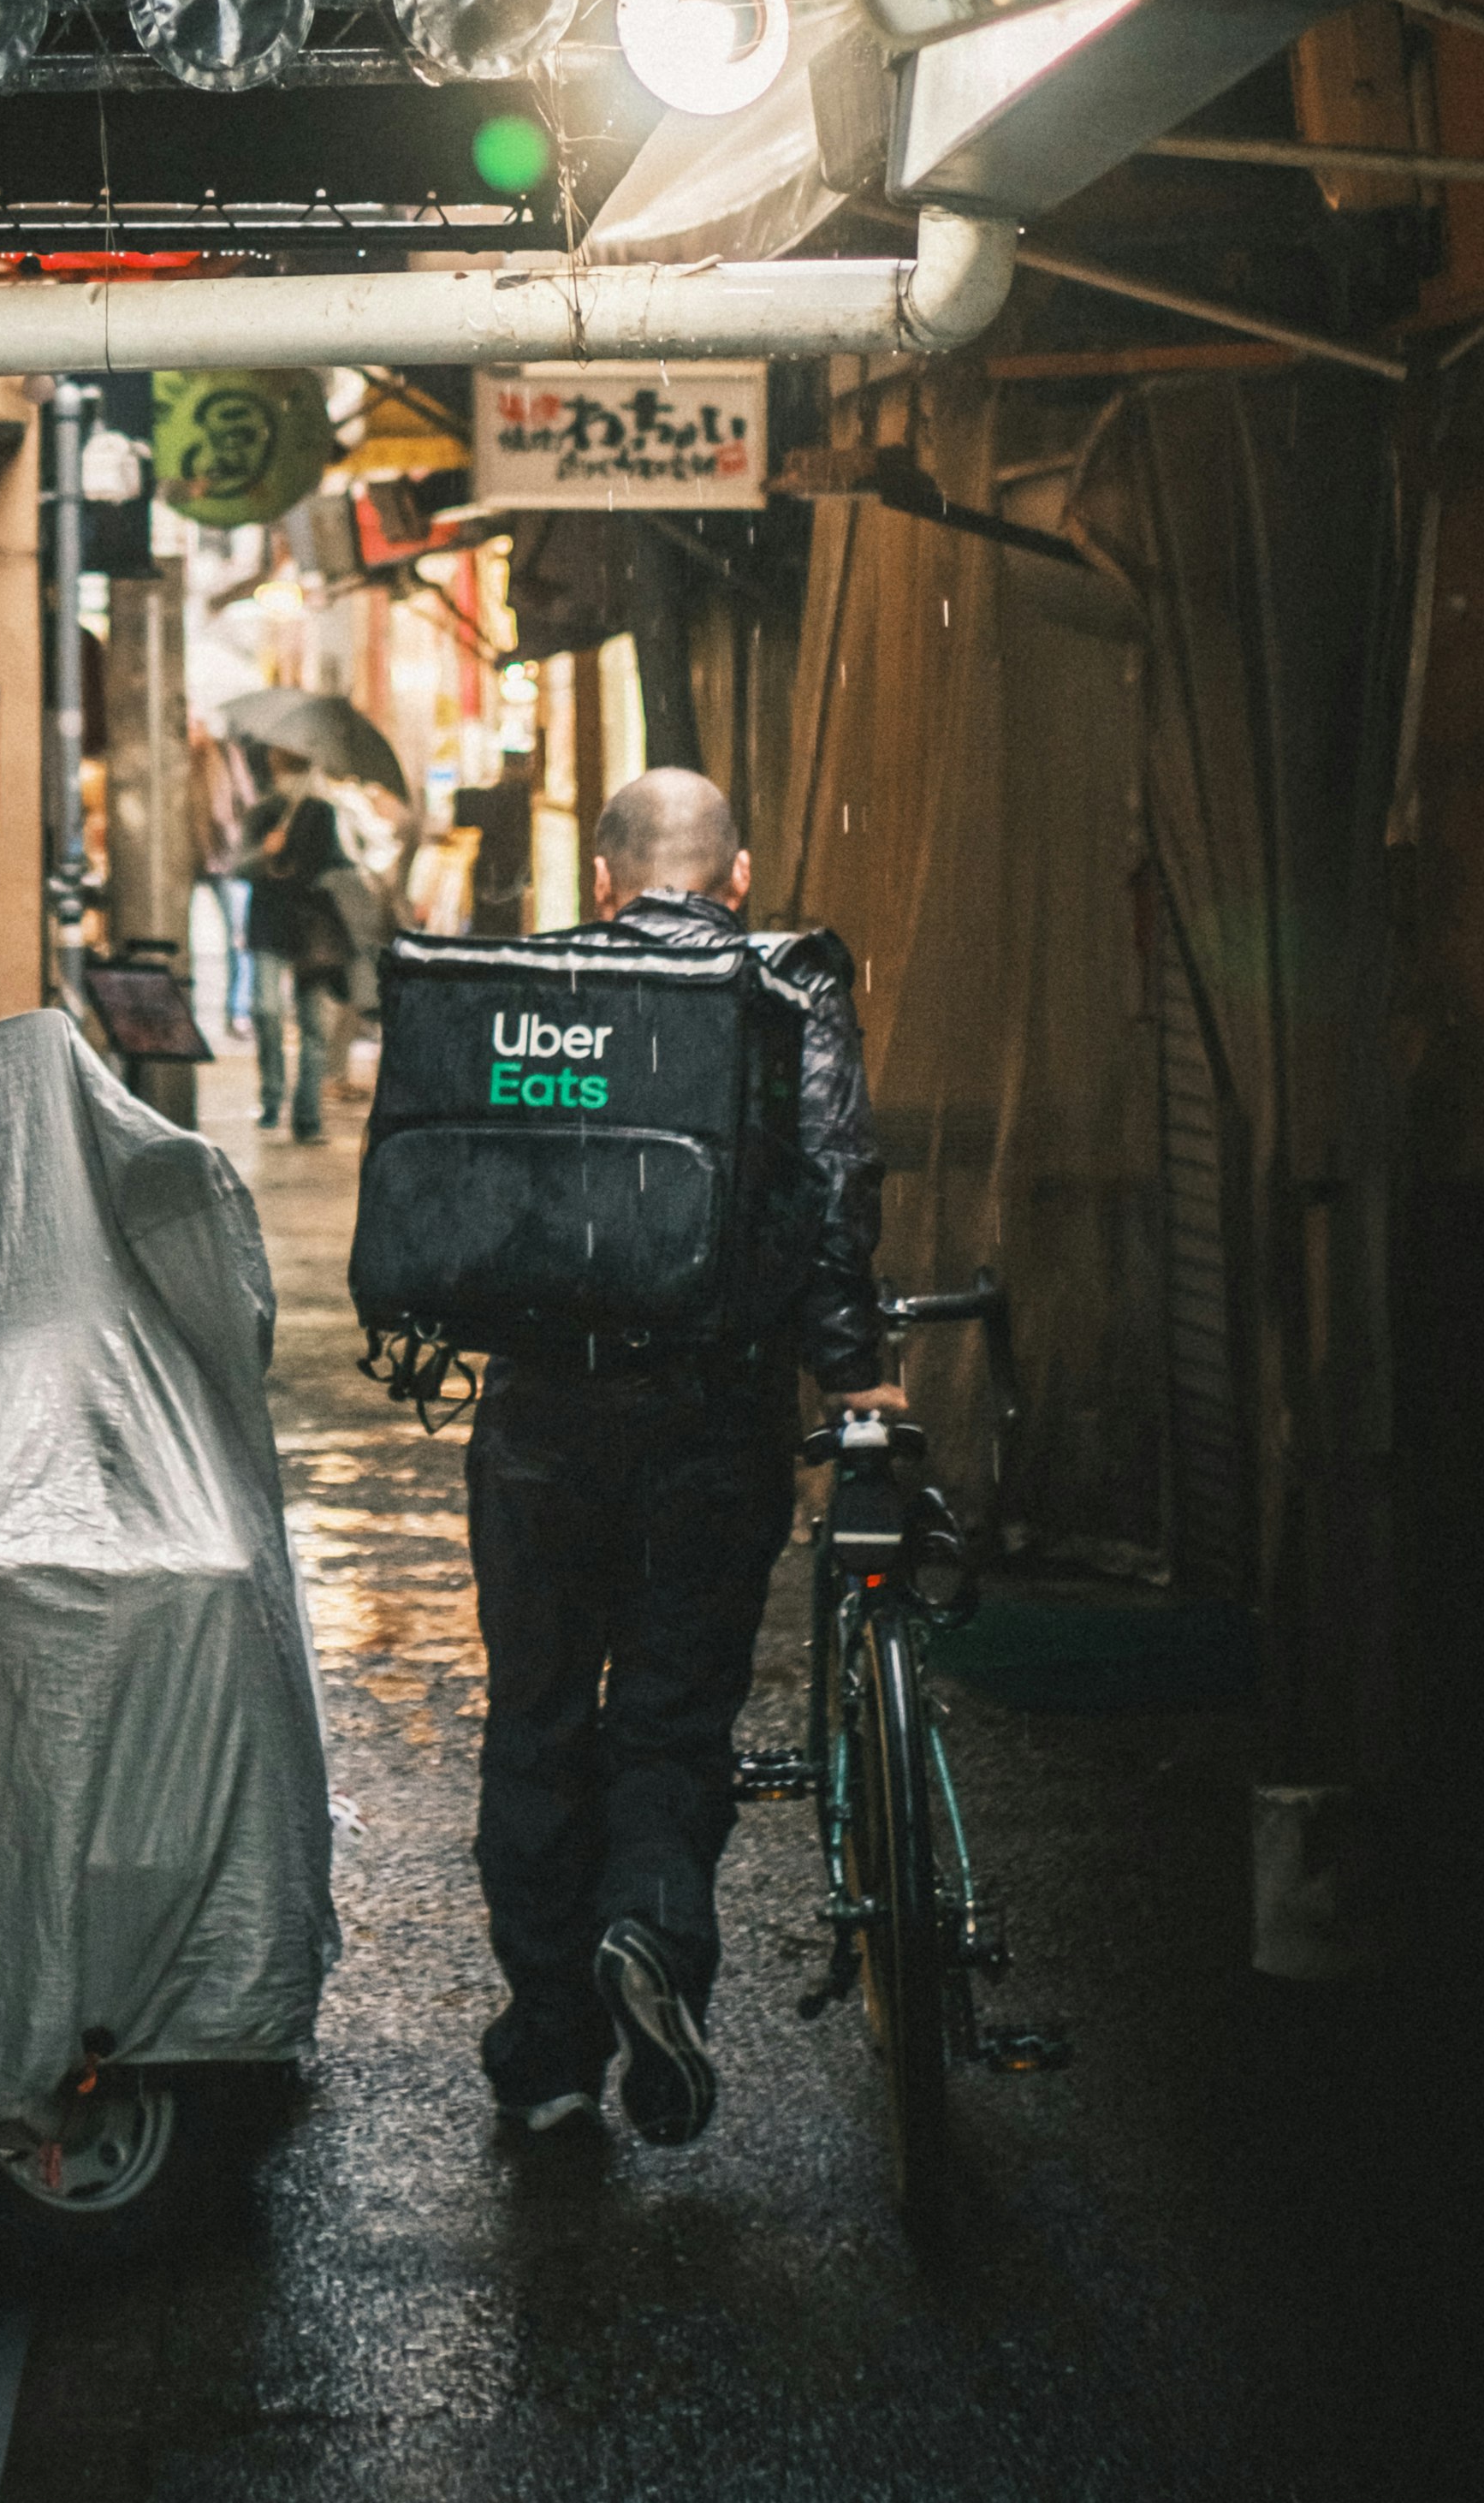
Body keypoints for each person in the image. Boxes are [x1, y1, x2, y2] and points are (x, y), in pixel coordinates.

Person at [466, 767, 906, 2147]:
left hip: (540, 1420)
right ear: (740, 875)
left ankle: (547, 2059)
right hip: (712, 1425)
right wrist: (856, 1378)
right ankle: (652, 1927)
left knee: (539, 1717)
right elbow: (832, 1184)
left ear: (601, 878)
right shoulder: (785, 992)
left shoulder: (524, 988)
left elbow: (467, 1183)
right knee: (670, 1712)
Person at [235, 751, 352, 1141]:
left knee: (313, 1026)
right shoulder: (263, 812)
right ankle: (271, 1098)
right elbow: (238, 866)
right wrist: (265, 852)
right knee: (266, 1012)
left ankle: (307, 1117)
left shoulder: (321, 813)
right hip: (268, 924)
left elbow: (338, 865)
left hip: (309, 932)